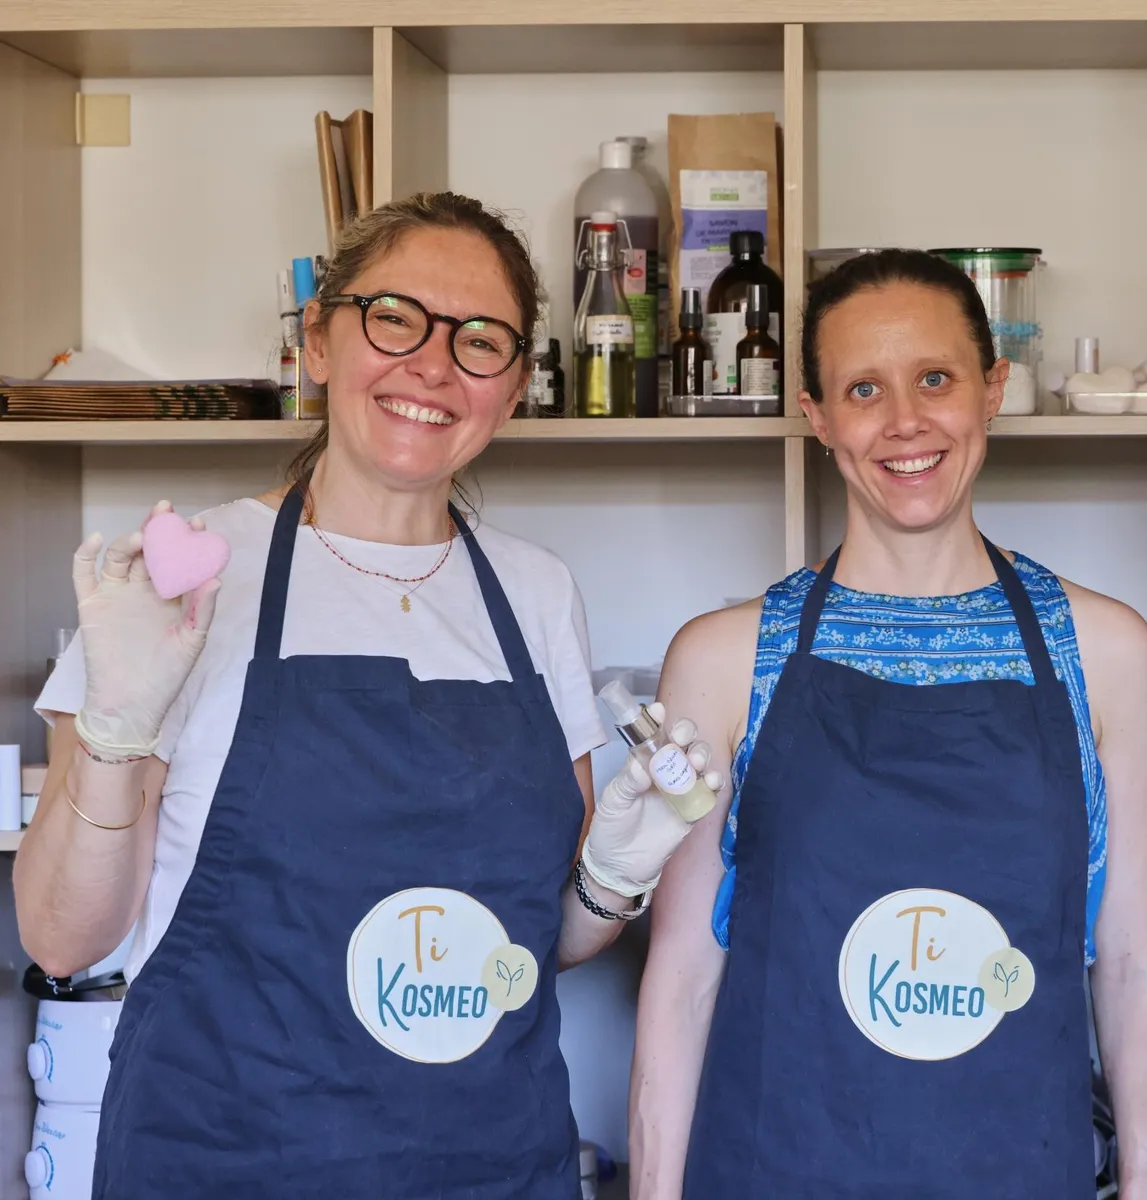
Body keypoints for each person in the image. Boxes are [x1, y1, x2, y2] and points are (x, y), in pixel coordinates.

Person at [19, 193, 714, 1196]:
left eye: (482, 341)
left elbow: (534, 940)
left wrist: (615, 872)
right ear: (318, 338)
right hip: (225, 1160)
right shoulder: (190, 572)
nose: (434, 364)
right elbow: (61, 936)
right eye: (396, 318)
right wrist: (115, 732)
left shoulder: (534, 595)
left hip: (488, 1165)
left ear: (514, 387)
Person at [628, 250, 1147, 1198]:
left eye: (935, 378)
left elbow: (1131, 957)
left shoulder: (1107, 651)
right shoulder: (724, 659)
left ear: (992, 389)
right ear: (818, 418)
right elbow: (681, 980)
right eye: (862, 388)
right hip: (777, 1167)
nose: (905, 421)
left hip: (1017, 1168)